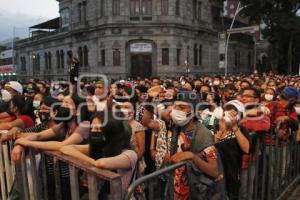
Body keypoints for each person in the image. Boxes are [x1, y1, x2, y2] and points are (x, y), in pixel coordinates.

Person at [60, 111, 137, 199]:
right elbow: (65, 148)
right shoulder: (101, 146)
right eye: (92, 128)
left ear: (109, 130)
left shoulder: (130, 154)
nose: (93, 132)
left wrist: (94, 162)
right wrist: (91, 160)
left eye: (97, 129)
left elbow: (101, 163)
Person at [170, 91, 226, 200]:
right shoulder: (177, 129)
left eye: (182, 107)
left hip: (197, 190)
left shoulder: (203, 135)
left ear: (193, 111)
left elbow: (214, 172)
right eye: (175, 107)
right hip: (179, 187)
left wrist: (192, 157)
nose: (176, 111)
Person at [214, 100, 250, 200]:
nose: (230, 112)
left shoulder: (241, 130)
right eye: (228, 109)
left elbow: (246, 149)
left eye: (234, 111)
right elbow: (211, 147)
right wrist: (221, 131)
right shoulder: (216, 127)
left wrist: (234, 127)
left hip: (232, 171)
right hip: (216, 171)